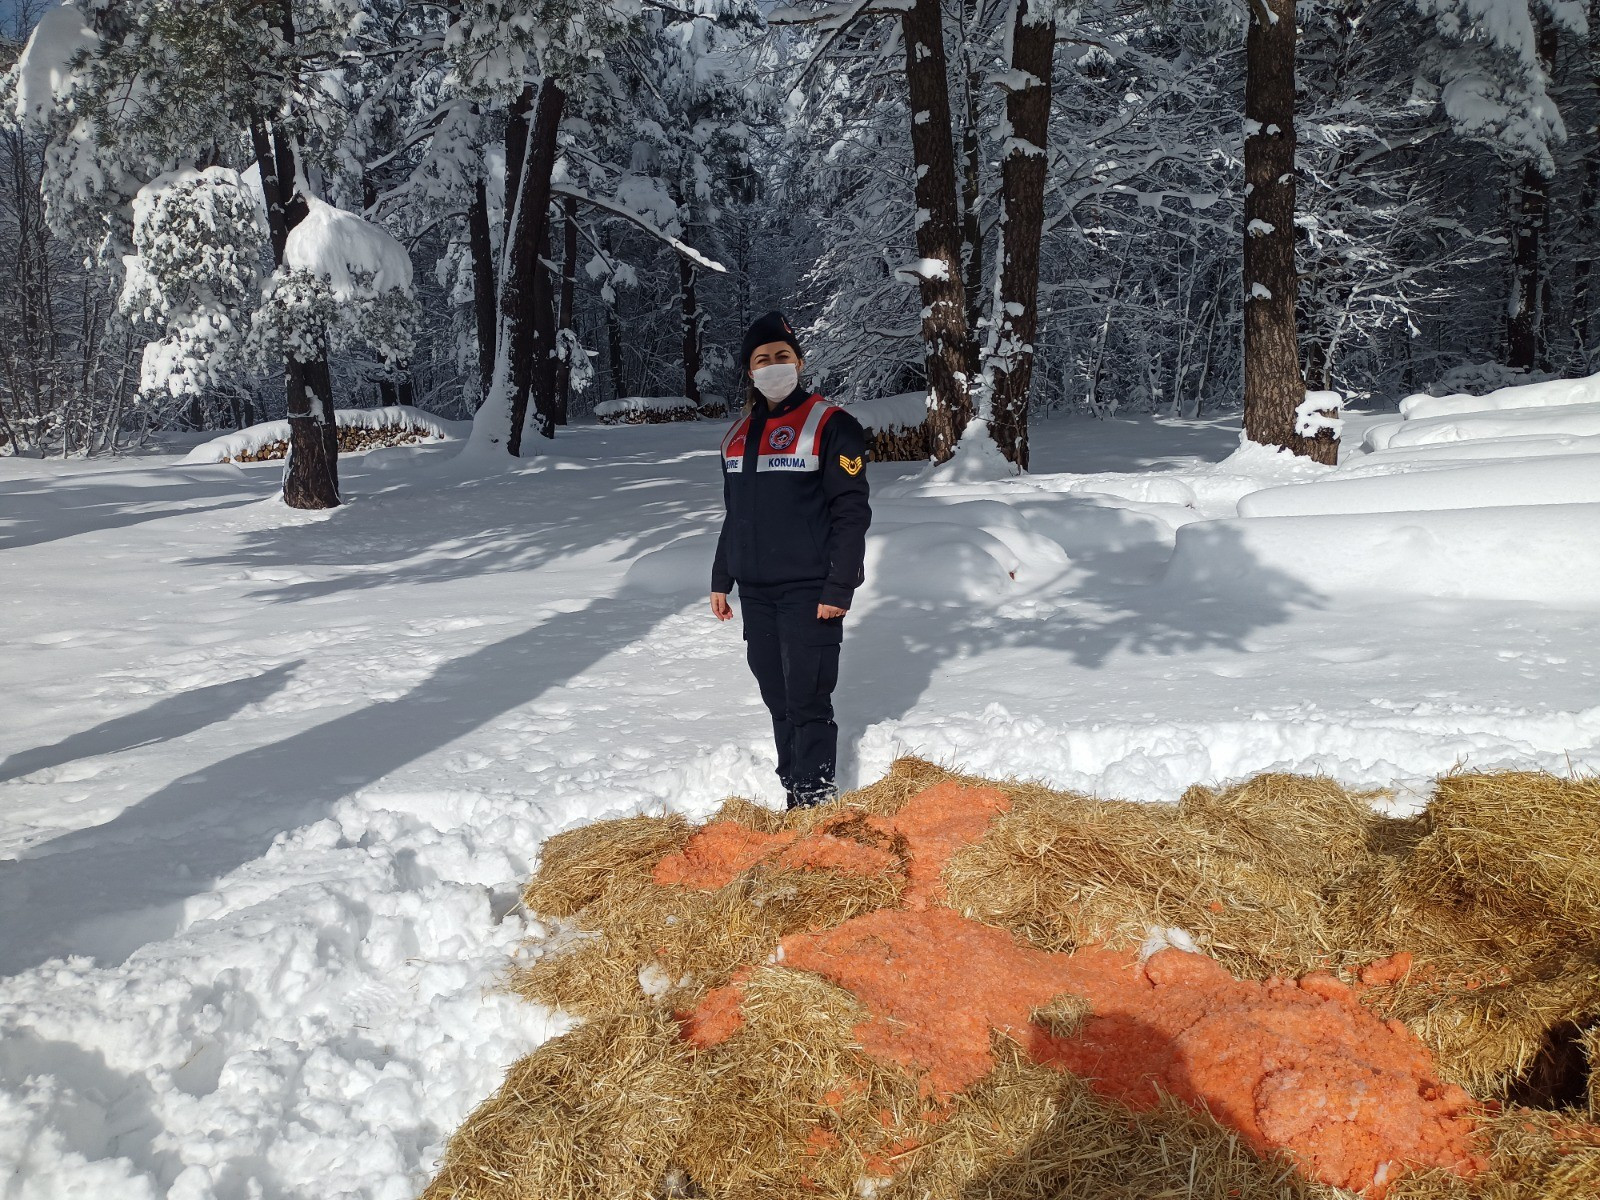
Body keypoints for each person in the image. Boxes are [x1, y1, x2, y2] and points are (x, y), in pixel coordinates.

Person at [710, 311, 872, 809]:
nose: (773, 365)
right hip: (757, 593)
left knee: (807, 699)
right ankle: (792, 794)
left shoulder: (831, 424)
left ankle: (815, 803)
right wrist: (722, 577)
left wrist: (839, 587)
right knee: (777, 698)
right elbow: (736, 513)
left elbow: (851, 513)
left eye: (782, 356)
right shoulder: (737, 435)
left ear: (799, 362)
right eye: (762, 359)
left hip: (810, 590)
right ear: (750, 370)